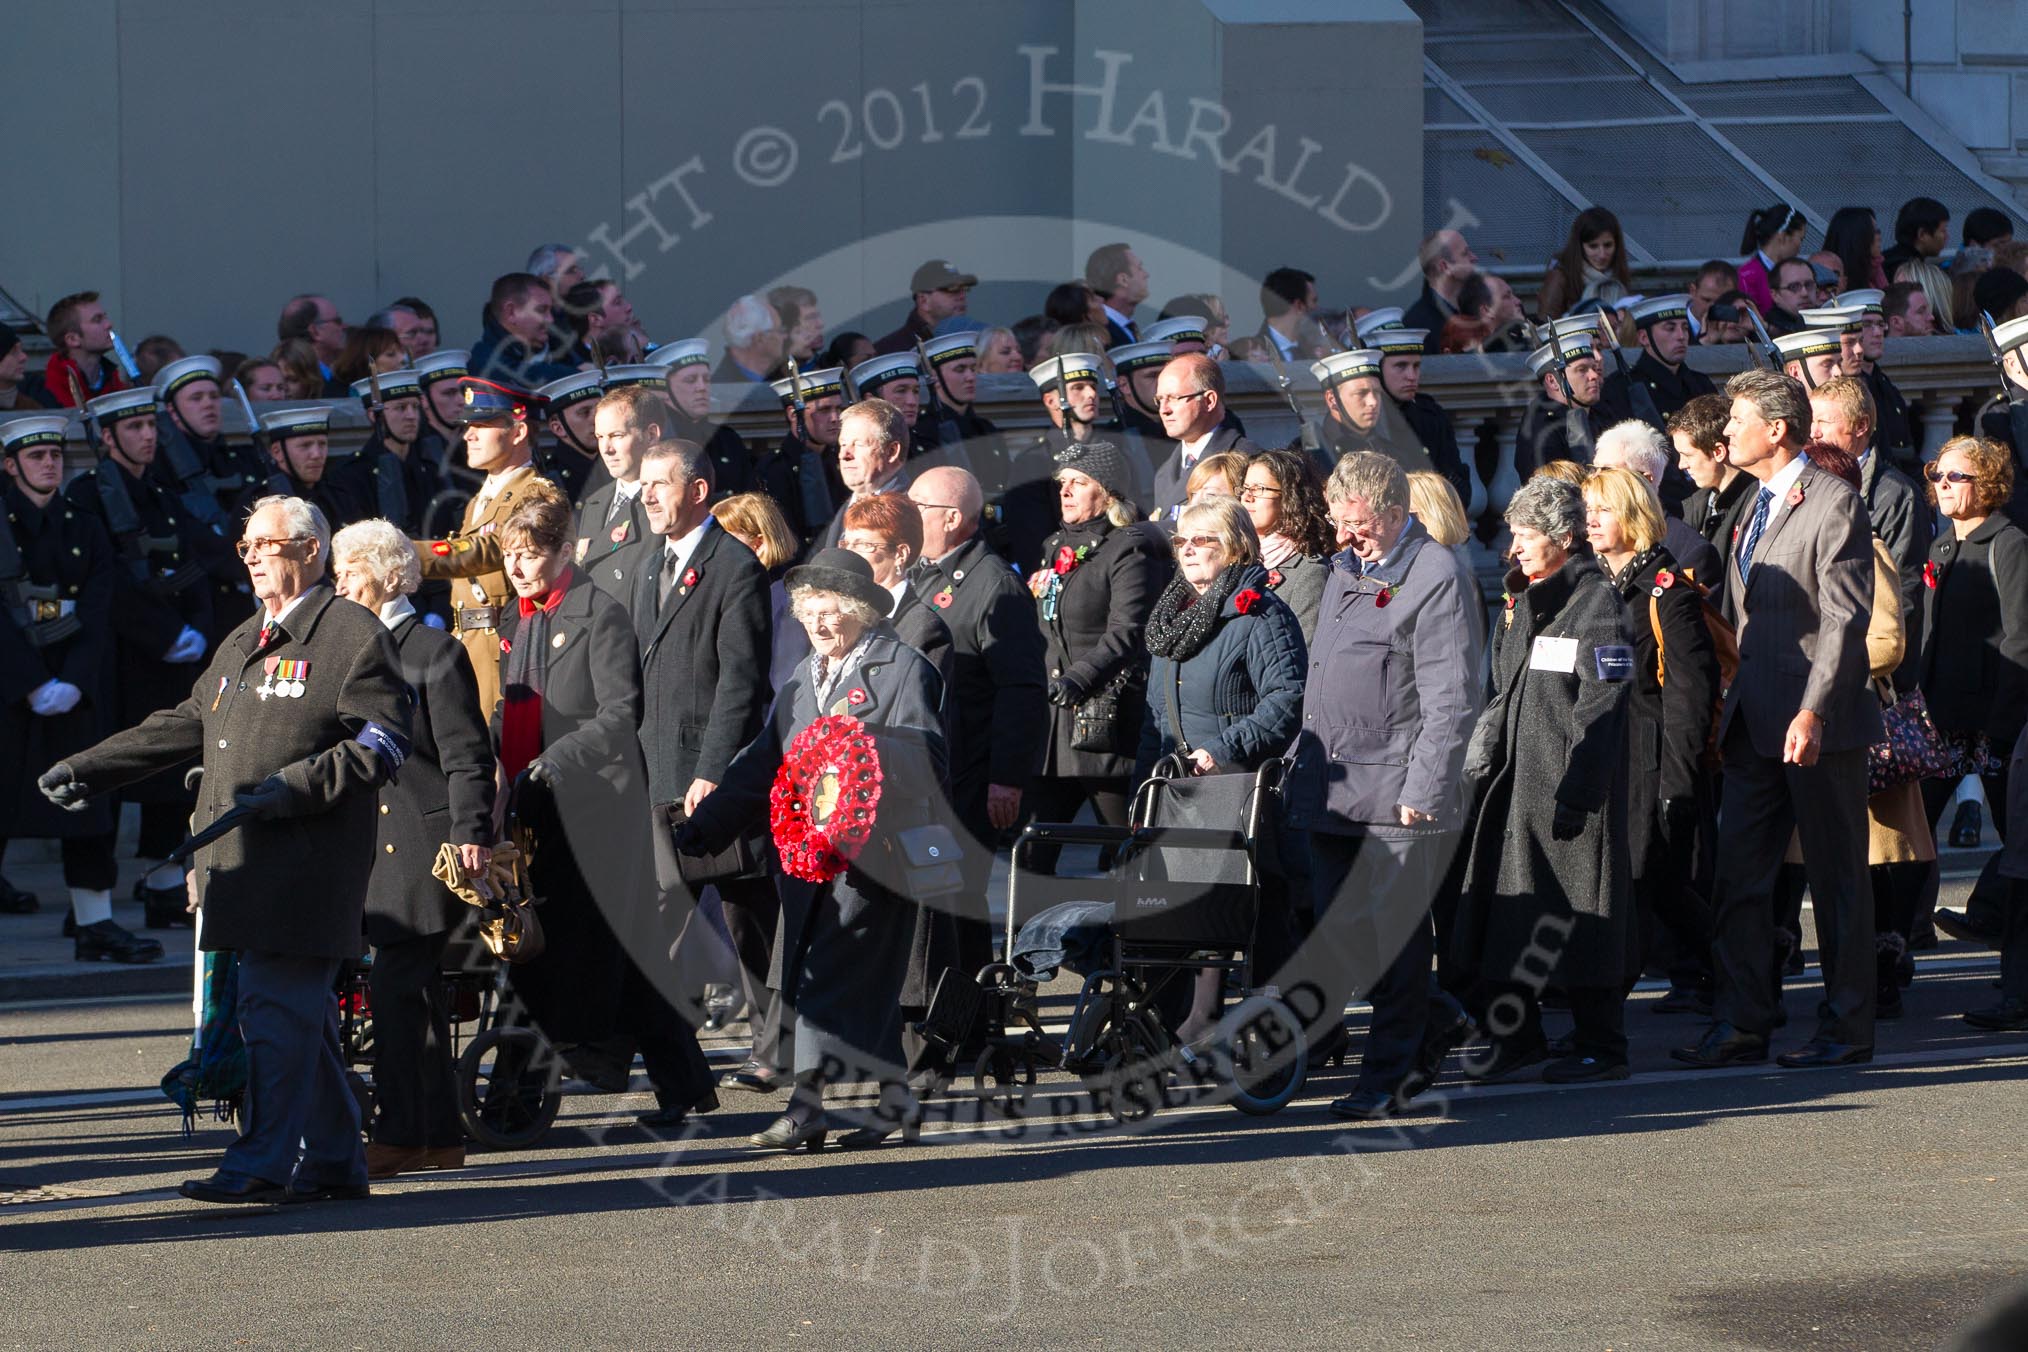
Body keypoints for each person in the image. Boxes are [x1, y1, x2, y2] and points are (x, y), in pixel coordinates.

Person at [43, 494, 411, 1204]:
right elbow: (186, 722)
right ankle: (335, 1159)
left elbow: (385, 743)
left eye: (265, 546)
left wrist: (294, 787)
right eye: (244, 547)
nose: (250, 559)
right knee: (300, 1020)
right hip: (239, 868)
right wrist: (89, 767)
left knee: (274, 1014)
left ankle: (261, 1162)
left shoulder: (350, 633)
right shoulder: (245, 638)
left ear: (310, 551)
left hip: (306, 868)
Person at [677, 547, 951, 1151]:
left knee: (822, 975)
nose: (818, 625)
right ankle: (896, 1101)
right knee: (844, 981)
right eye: (808, 615)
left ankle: (807, 1107)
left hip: (876, 858)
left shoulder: (904, 668)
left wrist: (860, 749)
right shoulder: (804, 678)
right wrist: (704, 829)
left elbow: (932, 760)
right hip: (805, 859)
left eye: (828, 612)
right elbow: (760, 764)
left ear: (857, 610)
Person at [493, 479, 717, 1128]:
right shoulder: (521, 618)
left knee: (566, 952)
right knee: (581, 952)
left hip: (596, 813)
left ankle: (517, 1095)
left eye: (530, 555)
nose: (517, 567)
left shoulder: (600, 613)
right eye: (510, 555)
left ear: (565, 550)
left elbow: (620, 714)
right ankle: (682, 1083)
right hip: (535, 812)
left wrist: (550, 763)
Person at [1674, 370, 1880, 1071]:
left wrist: (1814, 709)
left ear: (1777, 429)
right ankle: (1740, 1022)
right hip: (1753, 725)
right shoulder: (1747, 506)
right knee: (1739, 879)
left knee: (1837, 880)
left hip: (1816, 727)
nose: (1723, 433)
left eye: (1734, 421)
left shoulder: (1833, 504)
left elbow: (1846, 620)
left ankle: (1846, 1027)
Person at [1286, 451, 1480, 1114]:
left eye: (1360, 523)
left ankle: (1389, 1078)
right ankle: (1441, 1018)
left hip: (1393, 795)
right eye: (1339, 521)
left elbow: (1450, 696)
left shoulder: (1435, 574)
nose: (1345, 534)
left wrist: (1425, 790)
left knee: (1392, 946)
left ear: (1398, 514)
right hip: (1332, 788)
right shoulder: (1345, 566)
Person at [1456, 474, 1635, 1082]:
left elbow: (1604, 703)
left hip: (1569, 792)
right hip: (1514, 789)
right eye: (1513, 533)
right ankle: (1519, 1038)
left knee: (1584, 917)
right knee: (1510, 920)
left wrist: (1579, 792)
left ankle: (1601, 1045)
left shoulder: (1595, 602)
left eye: (1528, 535)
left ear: (1563, 537)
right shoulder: (1519, 597)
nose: (1516, 547)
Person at [330, 519, 493, 1180]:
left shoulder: (431, 650)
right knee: (410, 998)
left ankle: (404, 1133)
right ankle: (437, 1135)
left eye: (348, 571)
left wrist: (471, 835)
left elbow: (465, 757)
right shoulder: (348, 650)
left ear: (386, 575)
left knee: (400, 993)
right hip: (367, 849)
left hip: (425, 850)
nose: (339, 584)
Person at [633, 441, 784, 1099]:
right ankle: (684, 1077)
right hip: (654, 773)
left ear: (697, 490)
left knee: (753, 919)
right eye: (642, 486)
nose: (647, 496)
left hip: (711, 781)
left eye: (659, 484)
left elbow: (741, 681)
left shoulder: (734, 565)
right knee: (656, 931)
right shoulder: (646, 566)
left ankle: (778, 1050)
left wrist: (716, 769)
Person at [1136, 495, 1306, 1040]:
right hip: (1178, 785)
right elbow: (1156, 709)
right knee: (1185, 905)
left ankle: (1242, 1019)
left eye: (1202, 540)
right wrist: (1146, 783)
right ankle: (1192, 1013)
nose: (1188, 551)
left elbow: (1286, 697)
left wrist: (1224, 748)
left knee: (1236, 905)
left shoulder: (1259, 612)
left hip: (1238, 783)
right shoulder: (1174, 615)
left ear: (1233, 546)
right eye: (1182, 541)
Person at [0, 416, 158, 961]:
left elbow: (97, 607)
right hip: (10, 689)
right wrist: (29, 683)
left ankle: (95, 923)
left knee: (85, 806)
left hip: (71, 685)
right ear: (10, 464)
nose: (49, 463)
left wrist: (72, 680)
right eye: (35, 456)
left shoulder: (81, 524)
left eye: (54, 455)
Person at [65, 388, 214, 926]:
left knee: (168, 771)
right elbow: (106, 582)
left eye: (150, 426)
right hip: (121, 658)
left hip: (169, 654)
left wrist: (195, 626)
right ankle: (90, 906)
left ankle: (162, 880)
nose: (147, 436)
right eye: (132, 429)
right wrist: (164, 633)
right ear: (106, 437)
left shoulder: (158, 488)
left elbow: (192, 557)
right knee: (109, 775)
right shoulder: (87, 494)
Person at [1583, 466, 1720, 1015]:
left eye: (1603, 510)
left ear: (1635, 518)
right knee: (1657, 885)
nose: (1590, 521)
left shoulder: (1667, 593)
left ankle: (1603, 1009)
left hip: (1652, 759)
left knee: (1644, 882)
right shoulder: (1596, 587)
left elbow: (1689, 698)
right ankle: (1741, 972)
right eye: (1587, 510)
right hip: (1612, 759)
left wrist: (1679, 787)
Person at [906, 465, 1049, 990]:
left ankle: (968, 1012)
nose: (908, 512)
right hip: (934, 763)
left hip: (971, 769)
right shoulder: (923, 572)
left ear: (952, 518)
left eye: (918, 505)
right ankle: (953, 1009)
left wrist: (1006, 778)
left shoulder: (995, 584)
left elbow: (1022, 690)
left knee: (958, 899)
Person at [1026, 440, 1172, 865]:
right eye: (1063, 483)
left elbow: (1127, 632)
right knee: (1033, 850)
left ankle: (1125, 931)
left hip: (1103, 724)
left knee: (1121, 850)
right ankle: (1034, 932)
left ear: (1106, 492)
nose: (1066, 491)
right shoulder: (1054, 545)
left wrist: (1080, 677)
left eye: (1079, 482)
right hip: (1053, 728)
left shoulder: (1128, 547)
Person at [1917, 437, 2028, 951]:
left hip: (1992, 721)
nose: (1942, 484)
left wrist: (2005, 726)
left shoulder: (2009, 544)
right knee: (1913, 826)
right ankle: (1905, 929)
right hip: (1941, 718)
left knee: (2019, 835)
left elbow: (2021, 639)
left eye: (1956, 477)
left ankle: (1988, 915)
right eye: (1938, 474)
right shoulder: (1941, 545)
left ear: (1986, 485)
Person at [413, 377, 550, 717]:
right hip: (470, 642)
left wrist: (403, 552)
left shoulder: (535, 492)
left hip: (506, 645)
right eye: (467, 426)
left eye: (481, 425)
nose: (468, 435)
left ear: (517, 432)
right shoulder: (483, 496)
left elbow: (490, 548)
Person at [1807, 376, 1931, 655]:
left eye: (1823, 423)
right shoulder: (1806, 482)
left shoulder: (1895, 494)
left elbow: (1905, 590)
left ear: (1861, 426)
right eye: (1811, 422)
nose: (1813, 433)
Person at [841, 492, 952, 693]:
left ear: (900, 554)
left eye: (861, 545)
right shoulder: (838, 615)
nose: (848, 554)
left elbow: (916, 707)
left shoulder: (925, 629)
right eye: (846, 544)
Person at [1593, 420, 1721, 585]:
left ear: (1645, 480)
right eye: (1594, 468)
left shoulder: (1689, 552)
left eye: (1608, 470)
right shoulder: (1590, 540)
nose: (1596, 478)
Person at [575, 385, 662, 611]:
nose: (606, 448)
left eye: (617, 436)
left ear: (651, 435)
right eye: (600, 437)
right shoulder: (596, 502)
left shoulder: (667, 500)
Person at [713, 491, 808, 692]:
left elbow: (784, 681)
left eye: (723, 540)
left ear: (758, 544)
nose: (712, 550)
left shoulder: (784, 598)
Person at [1151, 354, 1263, 514]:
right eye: (1160, 400)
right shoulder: (1166, 472)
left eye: (1174, 398)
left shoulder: (1248, 460)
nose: (1164, 410)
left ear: (1209, 401)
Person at [1239, 448, 1332, 641]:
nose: (1247, 497)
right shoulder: (1235, 557)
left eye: (1259, 489)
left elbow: (1304, 650)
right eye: (1245, 489)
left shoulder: (1309, 572)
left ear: (1290, 497)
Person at [649, 338, 757, 499]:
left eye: (706, 379)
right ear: (665, 389)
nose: (701, 387)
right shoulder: (658, 440)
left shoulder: (727, 439)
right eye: (690, 380)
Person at [340, 368, 442, 536]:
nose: (411, 415)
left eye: (415, 407)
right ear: (374, 415)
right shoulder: (354, 475)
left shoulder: (429, 466)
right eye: (400, 408)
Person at [761, 366, 849, 548]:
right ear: (794, 415)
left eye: (838, 408)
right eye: (824, 410)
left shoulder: (844, 460)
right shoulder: (774, 470)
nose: (835, 417)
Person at [1604, 294, 1718, 431]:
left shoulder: (1701, 385)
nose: (1681, 336)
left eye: (1685, 328)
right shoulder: (1621, 388)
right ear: (1644, 337)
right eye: (1670, 328)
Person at [1515, 328, 1611, 476]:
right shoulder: (1542, 428)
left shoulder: (1601, 414)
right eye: (1582, 370)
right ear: (1552, 381)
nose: (1593, 375)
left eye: (1593, 367)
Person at [247, 406, 363, 528]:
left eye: (322, 444)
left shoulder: (340, 497)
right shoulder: (259, 501)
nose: (317, 454)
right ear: (277, 452)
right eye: (305, 445)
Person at [469, 273, 578, 388]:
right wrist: (581, 375)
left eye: (550, 310)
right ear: (511, 313)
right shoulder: (483, 361)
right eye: (541, 310)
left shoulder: (554, 345)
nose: (550, 320)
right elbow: (527, 378)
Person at [1537, 207, 1634, 318]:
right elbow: (1546, 328)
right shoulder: (1559, 278)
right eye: (1593, 246)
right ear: (1580, 247)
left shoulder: (1618, 276)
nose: (1602, 255)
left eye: (1608, 245)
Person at [42, 291, 129, 406]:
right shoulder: (50, 391)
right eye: (97, 320)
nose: (109, 324)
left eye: (105, 317)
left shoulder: (111, 379)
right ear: (73, 339)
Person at [874, 260, 978, 355]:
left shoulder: (974, 341)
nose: (962, 296)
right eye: (952, 289)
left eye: (964, 289)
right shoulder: (890, 352)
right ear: (924, 301)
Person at [534, 370, 606, 505]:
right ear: (558, 428)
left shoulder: (619, 465)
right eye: (584, 413)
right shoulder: (551, 483)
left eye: (601, 410)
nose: (597, 419)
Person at [1403, 230, 1478, 351]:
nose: (1474, 257)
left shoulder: (1476, 308)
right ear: (1445, 267)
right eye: (1465, 254)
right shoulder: (1418, 327)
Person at [1736, 204, 1807, 318]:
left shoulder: (1793, 273)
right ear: (1783, 236)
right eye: (1800, 239)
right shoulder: (1747, 276)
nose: (1800, 246)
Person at [275, 294, 349, 394]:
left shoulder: (338, 373)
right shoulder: (300, 385)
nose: (344, 326)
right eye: (337, 321)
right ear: (315, 331)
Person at [1086, 243, 1150, 346]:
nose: (1146, 275)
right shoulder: (1099, 334)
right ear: (1123, 280)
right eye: (1139, 268)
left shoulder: (1127, 328)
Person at [1881, 196, 1950, 282]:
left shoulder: (1886, 259)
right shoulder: (1908, 273)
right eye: (1943, 231)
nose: (1947, 237)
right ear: (1922, 234)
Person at [1825, 207, 1886, 293]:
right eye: (1874, 231)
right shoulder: (1833, 282)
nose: (1879, 236)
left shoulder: (1875, 270)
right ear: (1858, 238)